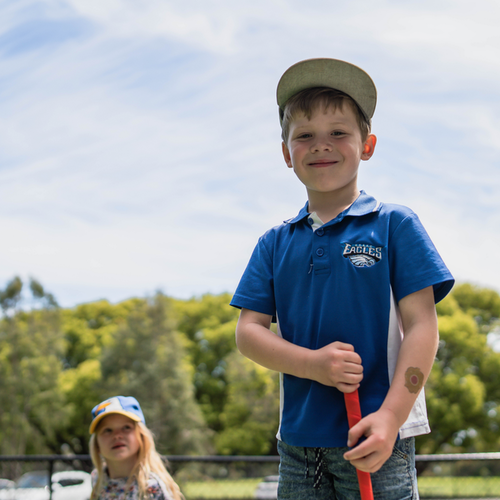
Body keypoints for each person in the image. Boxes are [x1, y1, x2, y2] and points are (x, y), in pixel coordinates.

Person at [230, 58, 454, 499]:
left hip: (378, 437)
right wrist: (312, 365)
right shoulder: (273, 242)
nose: (321, 145)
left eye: (337, 132)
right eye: (304, 136)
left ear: (367, 145)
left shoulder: (395, 225)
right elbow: (248, 333)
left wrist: (390, 417)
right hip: (298, 443)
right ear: (286, 153)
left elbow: (423, 326)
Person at [88, 395, 183, 500]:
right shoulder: (98, 479)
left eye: (126, 427)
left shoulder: (151, 487)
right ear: (96, 444)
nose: (117, 435)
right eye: (107, 430)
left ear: (142, 436)